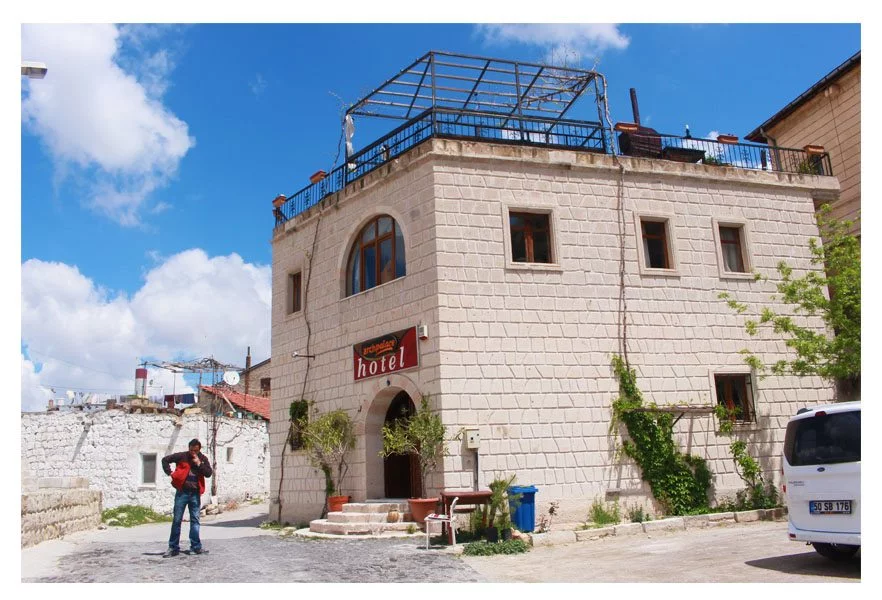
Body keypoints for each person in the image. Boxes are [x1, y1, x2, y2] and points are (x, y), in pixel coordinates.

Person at [161, 438, 213, 557]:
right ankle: (173, 547)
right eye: (191, 450)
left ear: (199, 449)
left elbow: (209, 473)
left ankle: (196, 546)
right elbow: (165, 460)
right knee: (177, 520)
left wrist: (199, 463)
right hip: (182, 492)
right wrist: (170, 473)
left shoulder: (203, 459)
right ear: (188, 448)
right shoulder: (182, 456)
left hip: (195, 493)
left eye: (196, 450)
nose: (193, 452)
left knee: (195, 520)